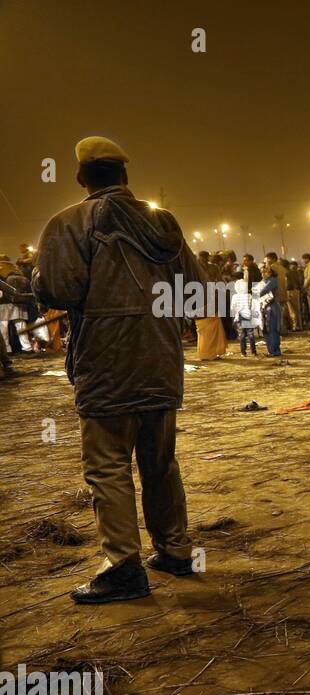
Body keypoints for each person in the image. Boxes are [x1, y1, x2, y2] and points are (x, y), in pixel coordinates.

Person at [34, 136, 202, 603]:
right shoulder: (162, 222)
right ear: (125, 176)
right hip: (162, 360)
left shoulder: (69, 222)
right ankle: (175, 551)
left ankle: (124, 568)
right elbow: (197, 290)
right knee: (161, 461)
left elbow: (58, 289)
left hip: (106, 363)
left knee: (108, 466)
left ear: (82, 178)